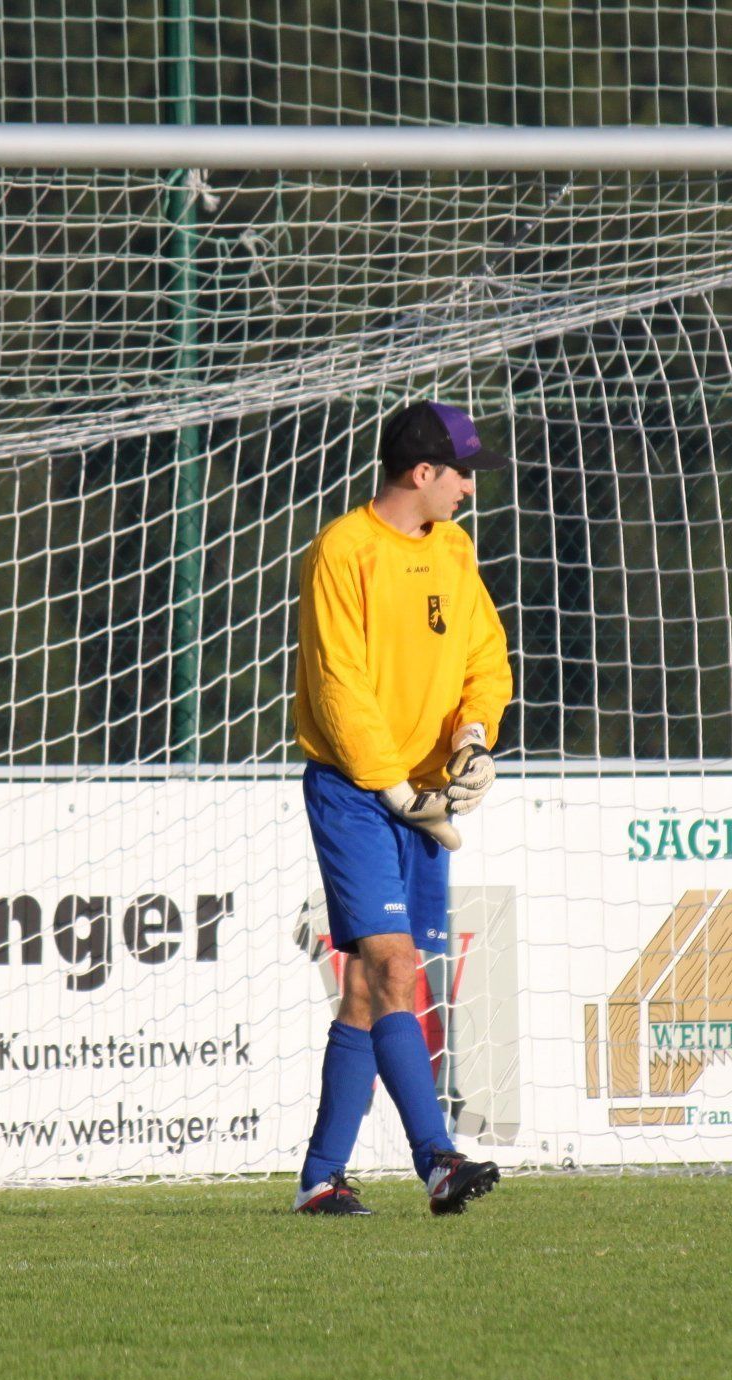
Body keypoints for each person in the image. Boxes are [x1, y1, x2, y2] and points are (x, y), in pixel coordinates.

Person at [291, 400, 514, 1216]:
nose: (469, 490)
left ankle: (320, 1179)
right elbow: (338, 686)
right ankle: (438, 1160)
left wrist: (474, 736)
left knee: (367, 987)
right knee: (393, 968)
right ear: (422, 473)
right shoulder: (342, 552)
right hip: (356, 793)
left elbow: (483, 655)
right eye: (462, 475)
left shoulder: (452, 549)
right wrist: (392, 787)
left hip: (417, 796)